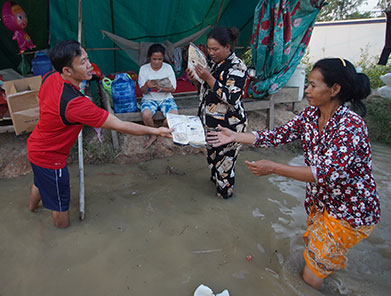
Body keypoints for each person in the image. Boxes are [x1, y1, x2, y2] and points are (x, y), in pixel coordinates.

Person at [207, 58, 381, 289]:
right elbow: (275, 135)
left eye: (313, 85)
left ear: (335, 89)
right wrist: (235, 136)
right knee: (317, 256)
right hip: (323, 203)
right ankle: (328, 270)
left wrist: (274, 168)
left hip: (350, 211)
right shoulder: (311, 116)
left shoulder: (350, 126)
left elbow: (323, 173)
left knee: (309, 277)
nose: (307, 90)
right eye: (307, 84)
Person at [27, 40, 172, 228]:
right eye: (83, 62)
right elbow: (120, 125)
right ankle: (62, 239)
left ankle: (30, 211)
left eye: (88, 59)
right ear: (67, 71)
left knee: (40, 182)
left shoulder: (49, 77)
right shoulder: (76, 105)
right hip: (50, 158)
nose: (90, 66)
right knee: (60, 206)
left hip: (35, 146)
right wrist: (156, 130)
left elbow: (47, 101)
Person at [187, 27, 248, 199]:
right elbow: (207, 92)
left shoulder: (237, 67)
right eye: (209, 48)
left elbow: (232, 97)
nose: (211, 52)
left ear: (227, 47)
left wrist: (208, 78)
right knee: (213, 162)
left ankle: (225, 200)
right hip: (210, 123)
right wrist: (196, 80)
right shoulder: (213, 64)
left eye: (215, 49)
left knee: (224, 169)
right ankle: (216, 191)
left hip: (229, 127)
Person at [138, 43, 177, 148]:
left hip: (166, 98)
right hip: (149, 99)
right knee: (146, 114)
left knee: (174, 116)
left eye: (159, 59)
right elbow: (143, 90)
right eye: (154, 59)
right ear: (149, 58)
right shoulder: (144, 69)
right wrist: (147, 85)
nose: (157, 62)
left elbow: (173, 88)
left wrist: (160, 88)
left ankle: (161, 132)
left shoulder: (168, 68)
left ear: (163, 58)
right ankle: (154, 134)